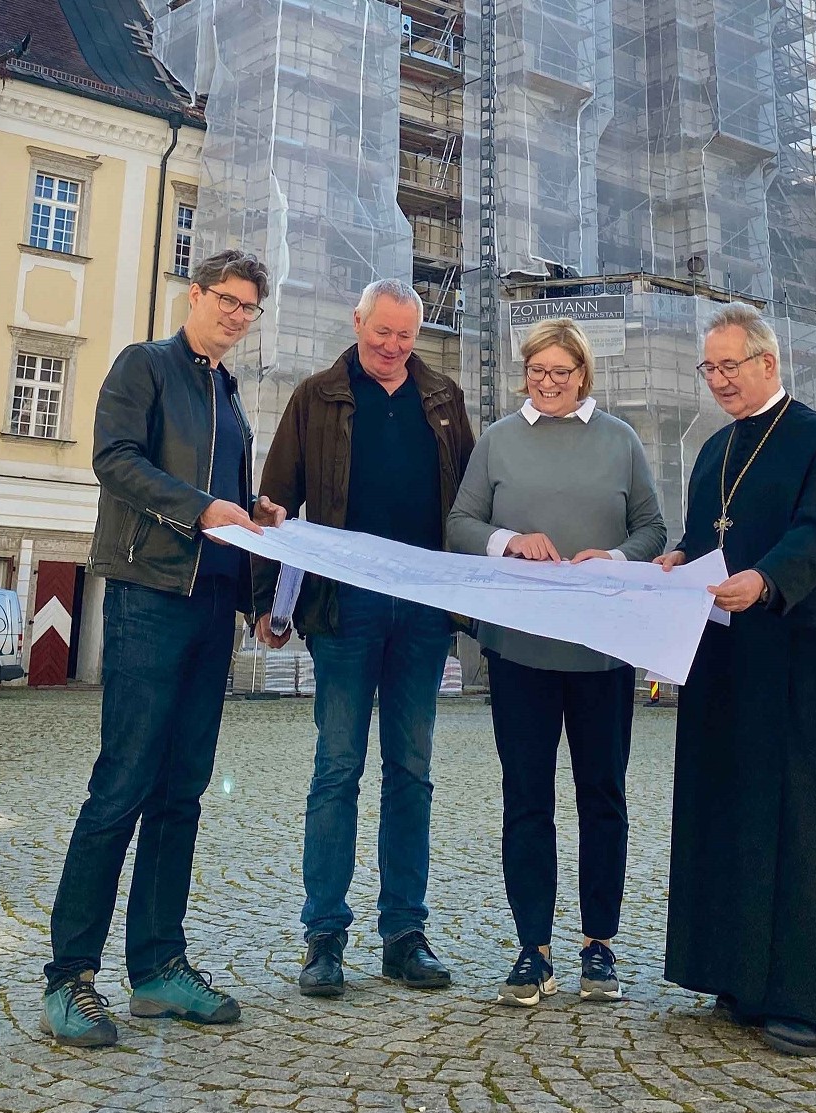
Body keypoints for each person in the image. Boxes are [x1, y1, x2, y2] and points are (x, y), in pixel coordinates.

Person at [42, 250, 285, 1048]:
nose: (237, 316)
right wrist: (203, 507)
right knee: (123, 783)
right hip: (150, 592)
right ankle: (69, 976)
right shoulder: (145, 364)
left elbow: (221, 500)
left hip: (213, 602)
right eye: (228, 300)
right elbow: (113, 458)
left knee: (182, 791)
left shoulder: (228, 391)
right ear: (197, 294)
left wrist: (252, 513)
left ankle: (156, 968)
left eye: (249, 307)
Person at [655, 302, 816, 1056]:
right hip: (727, 658)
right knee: (735, 811)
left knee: (807, 822)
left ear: (769, 363)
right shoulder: (712, 450)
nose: (719, 379)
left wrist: (765, 579)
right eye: (710, 367)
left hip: (806, 659)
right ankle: (741, 974)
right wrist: (674, 561)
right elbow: (706, 537)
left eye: (732, 365)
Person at [254, 278, 475, 997]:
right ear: (357, 323)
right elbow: (276, 500)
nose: (392, 346)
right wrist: (266, 599)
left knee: (411, 772)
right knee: (337, 768)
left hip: (420, 613)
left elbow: (471, 502)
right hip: (342, 609)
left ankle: (404, 934)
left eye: (405, 336)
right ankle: (324, 935)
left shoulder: (443, 399)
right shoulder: (315, 396)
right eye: (381, 332)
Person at [447, 317, 667, 1006]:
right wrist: (510, 539)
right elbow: (459, 523)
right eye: (537, 371)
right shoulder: (497, 440)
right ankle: (531, 948)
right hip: (520, 649)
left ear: (583, 375)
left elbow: (653, 529)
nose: (547, 382)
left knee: (603, 798)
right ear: (524, 373)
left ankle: (598, 945)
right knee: (526, 800)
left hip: (603, 651)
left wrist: (619, 557)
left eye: (560, 373)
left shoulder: (620, 441)